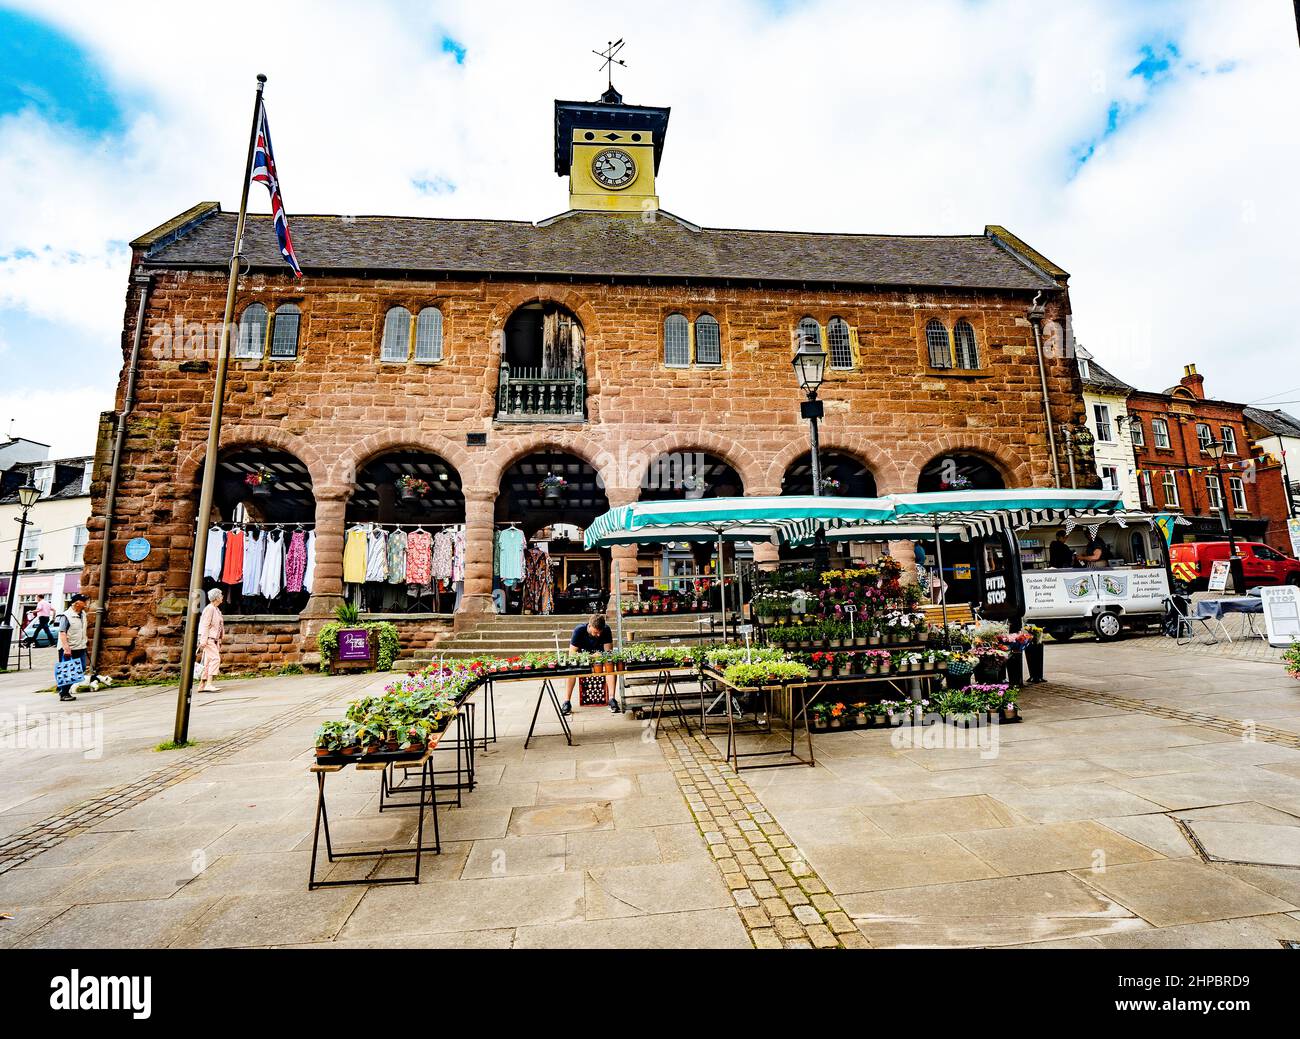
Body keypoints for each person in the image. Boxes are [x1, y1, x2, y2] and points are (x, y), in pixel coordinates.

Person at [562, 614, 614, 715]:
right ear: (589, 626)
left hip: (600, 659)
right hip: (583, 659)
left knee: (610, 666)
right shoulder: (579, 630)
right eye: (595, 632)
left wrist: (601, 656)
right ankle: (567, 701)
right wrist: (591, 657)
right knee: (571, 669)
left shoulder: (606, 629)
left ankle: (612, 699)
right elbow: (572, 654)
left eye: (600, 632)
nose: (598, 635)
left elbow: (608, 652)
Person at [56, 594, 90, 702]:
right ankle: (64, 693)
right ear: (77, 603)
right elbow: (62, 633)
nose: (86, 603)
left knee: (81, 669)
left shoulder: (83, 614)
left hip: (80, 647)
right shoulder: (66, 616)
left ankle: (63, 689)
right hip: (69, 648)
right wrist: (66, 648)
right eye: (84, 601)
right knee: (68, 671)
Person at [196, 588, 225, 693]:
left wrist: (219, 639)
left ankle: (202, 685)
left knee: (207, 662)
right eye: (221, 595)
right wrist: (203, 640)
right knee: (215, 659)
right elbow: (205, 625)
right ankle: (209, 684)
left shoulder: (216, 609)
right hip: (208, 639)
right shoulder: (210, 609)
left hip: (213, 639)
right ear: (216, 598)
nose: (222, 597)